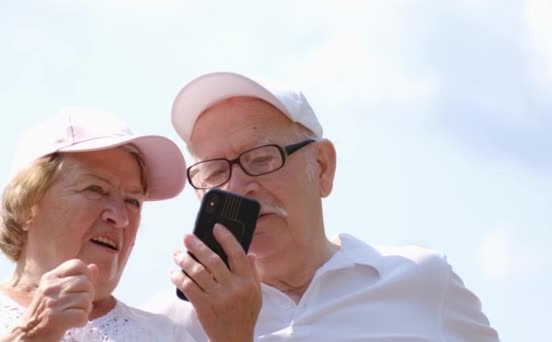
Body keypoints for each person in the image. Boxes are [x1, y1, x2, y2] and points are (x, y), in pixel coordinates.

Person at [152, 72, 500, 341]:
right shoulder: (166, 326)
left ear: (321, 167)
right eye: (214, 172)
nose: (239, 187)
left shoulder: (422, 280)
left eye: (261, 159)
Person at [0, 108, 258, 341]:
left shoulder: (168, 336)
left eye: (133, 201)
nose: (120, 218)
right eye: (95, 190)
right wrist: (32, 334)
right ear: (27, 206)